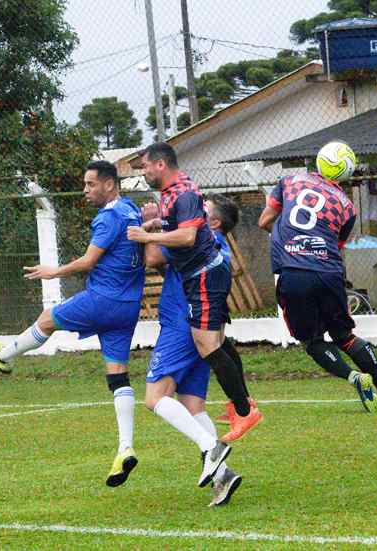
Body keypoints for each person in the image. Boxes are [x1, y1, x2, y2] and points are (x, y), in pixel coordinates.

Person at [0, 160, 145, 487]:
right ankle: (125, 447)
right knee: (118, 374)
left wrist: (51, 272)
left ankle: (5, 356)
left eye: (90, 184)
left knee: (48, 318)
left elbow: (88, 261)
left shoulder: (108, 218)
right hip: (128, 305)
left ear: (109, 184)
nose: (85, 190)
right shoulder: (130, 209)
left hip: (102, 298)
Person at [127, 143, 261, 444]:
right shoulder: (177, 196)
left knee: (206, 346)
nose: (143, 171)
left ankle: (244, 409)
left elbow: (178, 242)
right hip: (196, 283)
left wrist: (146, 234)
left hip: (196, 287)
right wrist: (156, 223)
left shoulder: (184, 196)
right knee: (214, 347)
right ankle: (239, 412)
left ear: (161, 164)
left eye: (145, 165)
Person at [257, 163, 377, 429]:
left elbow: (264, 221)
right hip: (329, 272)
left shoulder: (291, 180)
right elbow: (335, 244)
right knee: (345, 337)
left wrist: (287, 236)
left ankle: (354, 378)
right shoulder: (347, 206)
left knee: (313, 342)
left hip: (295, 271)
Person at [142, 194, 242, 506]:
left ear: (213, 222)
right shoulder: (215, 244)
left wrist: (150, 226)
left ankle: (211, 448)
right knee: (192, 406)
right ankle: (223, 475)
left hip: (181, 326)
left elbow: (154, 258)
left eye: (205, 209)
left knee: (154, 398)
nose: (196, 212)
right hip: (201, 329)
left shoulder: (199, 237)